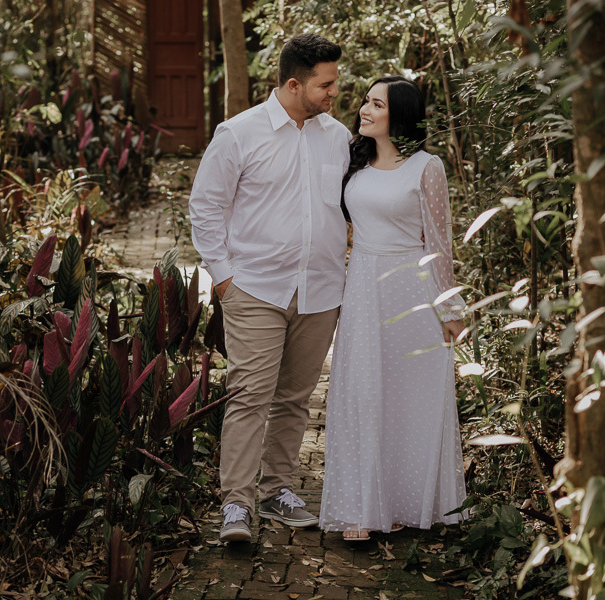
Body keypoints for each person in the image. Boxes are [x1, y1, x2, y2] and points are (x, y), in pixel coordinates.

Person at [188, 33, 351, 542]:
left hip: (321, 291)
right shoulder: (238, 134)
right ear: (294, 84)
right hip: (255, 288)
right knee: (249, 396)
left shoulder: (339, 137)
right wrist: (224, 279)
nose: (334, 92)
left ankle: (277, 489)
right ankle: (236, 504)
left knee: (295, 398)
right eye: (326, 84)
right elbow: (206, 206)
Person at [319, 76, 467, 541]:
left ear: (399, 115)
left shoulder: (427, 166)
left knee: (407, 398)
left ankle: (400, 503)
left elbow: (439, 243)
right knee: (363, 392)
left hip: (412, 290)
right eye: (366, 101)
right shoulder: (354, 160)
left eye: (377, 104)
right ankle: (362, 508)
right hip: (363, 285)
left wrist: (449, 307)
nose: (364, 109)